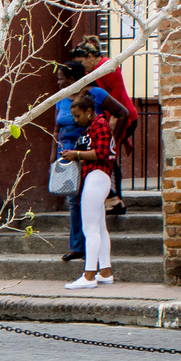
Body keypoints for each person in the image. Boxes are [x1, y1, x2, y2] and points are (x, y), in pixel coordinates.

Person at [53, 61, 132, 263]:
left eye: (61, 78)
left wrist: (111, 140)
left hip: (90, 156)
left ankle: (93, 253)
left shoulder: (95, 94)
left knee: (90, 203)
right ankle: (77, 247)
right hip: (68, 156)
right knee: (73, 201)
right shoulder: (61, 98)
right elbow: (56, 129)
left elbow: (123, 113)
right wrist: (53, 156)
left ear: (73, 79)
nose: (58, 82)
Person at [71, 36, 139, 215]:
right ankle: (115, 200)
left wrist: (112, 131)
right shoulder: (92, 73)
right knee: (108, 156)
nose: (82, 66)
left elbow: (120, 99)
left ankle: (116, 200)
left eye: (82, 61)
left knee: (108, 155)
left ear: (91, 57)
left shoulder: (108, 67)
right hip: (109, 120)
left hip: (125, 118)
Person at [60, 94, 115, 289]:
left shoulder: (99, 124)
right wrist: (74, 154)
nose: (76, 120)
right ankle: (105, 271)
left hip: (97, 176)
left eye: (77, 116)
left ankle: (89, 275)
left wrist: (76, 154)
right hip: (97, 177)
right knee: (99, 227)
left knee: (90, 229)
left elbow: (100, 153)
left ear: (89, 112)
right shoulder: (93, 126)